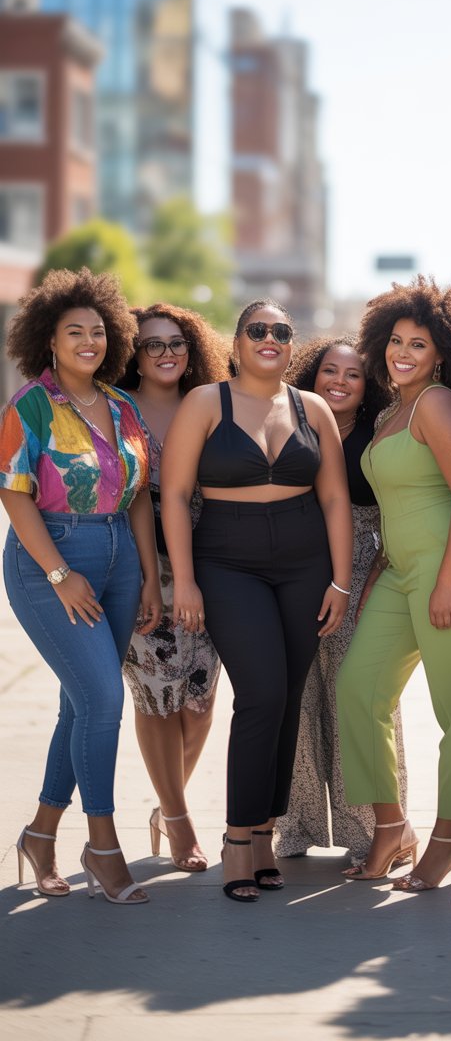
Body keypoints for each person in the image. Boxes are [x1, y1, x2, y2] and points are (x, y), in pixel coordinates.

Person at [161, 299, 352, 902]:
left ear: (291, 345)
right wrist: (186, 580)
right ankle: (238, 838)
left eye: (281, 331)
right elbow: (173, 495)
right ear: (237, 342)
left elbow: (335, 501)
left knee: (289, 697)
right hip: (227, 562)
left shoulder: (312, 407)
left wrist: (340, 581)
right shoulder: (203, 403)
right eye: (257, 330)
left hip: (304, 564)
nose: (270, 339)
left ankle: (266, 833)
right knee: (261, 693)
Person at [336, 277, 451, 891]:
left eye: (420, 345)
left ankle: (450, 839)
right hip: (401, 570)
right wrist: (386, 560)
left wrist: (447, 580)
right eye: (397, 341)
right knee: (358, 688)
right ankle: (391, 827)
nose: (403, 353)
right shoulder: (390, 412)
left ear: (443, 355)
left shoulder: (436, 403)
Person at [1, 268, 162, 905]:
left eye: (98, 331)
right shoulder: (29, 406)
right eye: (75, 332)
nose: (89, 342)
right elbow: (15, 499)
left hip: (121, 556)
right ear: (50, 340)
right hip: (52, 557)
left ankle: (41, 836)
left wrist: (149, 575)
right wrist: (60, 575)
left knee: (82, 704)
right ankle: (101, 845)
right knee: (102, 701)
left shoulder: (121, 406)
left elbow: (141, 498)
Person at [276, 336, 409, 864]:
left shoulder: (379, 434)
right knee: (299, 698)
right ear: (313, 374)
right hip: (295, 567)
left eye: (352, 374)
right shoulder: (290, 426)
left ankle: (373, 830)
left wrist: (379, 566)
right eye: (329, 370)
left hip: (363, 570)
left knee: (360, 700)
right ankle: (296, 827)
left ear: (367, 384)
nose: (339, 381)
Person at [118, 303, 230, 872]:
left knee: (201, 703)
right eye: (152, 344)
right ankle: (181, 823)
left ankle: (169, 805)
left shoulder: (210, 401)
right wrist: (148, 581)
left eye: (176, 342)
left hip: (210, 564)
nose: (166, 353)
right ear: (132, 355)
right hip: (142, 570)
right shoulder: (118, 409)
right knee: (156, 698)